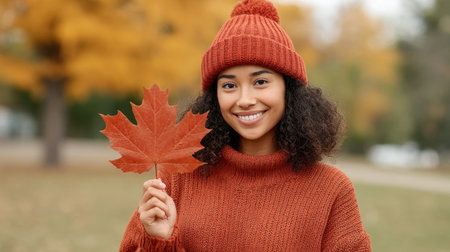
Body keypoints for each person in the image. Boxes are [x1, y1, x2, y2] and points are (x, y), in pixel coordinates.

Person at [119, 0, 372, 251]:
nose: (245, 100)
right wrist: (160, 243)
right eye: (229, 85)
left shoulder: (331, 190)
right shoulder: (177, 180)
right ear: (213, 98)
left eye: (260, 82)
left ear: (289, 89)